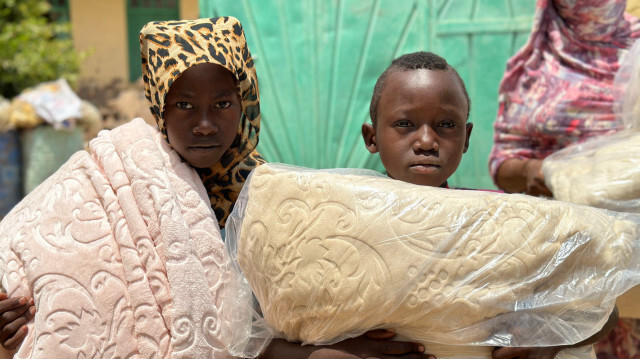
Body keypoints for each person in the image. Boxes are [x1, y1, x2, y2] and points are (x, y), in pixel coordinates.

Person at [0, 17, 433, 359]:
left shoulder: (272, 198)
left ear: (244, 103)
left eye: (222, 104)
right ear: (158, 103)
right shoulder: (114, 178)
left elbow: (286, 321)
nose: (204, 124)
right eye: (183, 105)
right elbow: (43, 258)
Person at [361, 50, 618, 359]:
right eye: (405, 123)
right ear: (372, 137)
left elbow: (604, 310)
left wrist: (547, 341)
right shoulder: (335, 216)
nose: (427, 141)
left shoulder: (503, 216)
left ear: (466, 137)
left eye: (446, 124)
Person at [487, 0, 640, 357]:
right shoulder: (533, 64)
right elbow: (501, 162)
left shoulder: (637, 52)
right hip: (560, 270)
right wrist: (535, 173)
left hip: (633, 261)